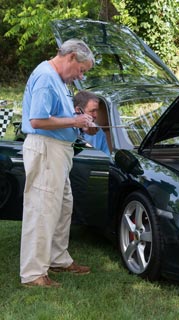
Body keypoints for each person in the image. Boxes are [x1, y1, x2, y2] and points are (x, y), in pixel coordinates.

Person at [20, 39, 95, 288]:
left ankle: (57, 258)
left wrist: (79, 120)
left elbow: (57, 116)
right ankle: (33, 274)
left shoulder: (59, 80)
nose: (80, 76)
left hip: (58, 152)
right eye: (81, 70)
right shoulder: (46, 77)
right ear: (71, 57)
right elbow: (39, 120)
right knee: (41, 210)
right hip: (46, 149)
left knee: (62, 207)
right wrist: (74, 123)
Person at [73, 90, 110, 156]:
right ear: (78, 110)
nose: (95, 115)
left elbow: (107, 157)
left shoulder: (97, 131)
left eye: (96, 111)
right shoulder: (66, 129)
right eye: (92, 111)